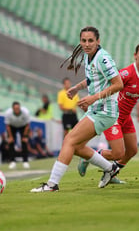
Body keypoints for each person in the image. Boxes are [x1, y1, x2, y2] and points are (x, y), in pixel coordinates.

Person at [30, 26, 123, 192]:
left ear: (98, 41)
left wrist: (94, 97)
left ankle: (52, 184)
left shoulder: (103, 58)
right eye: (84, 41)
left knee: (69, 141)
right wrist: (76, 88)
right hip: (97, 109)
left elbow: (118, 84)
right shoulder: (89, 57)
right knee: (78, 147)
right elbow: (92, 79)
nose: (87, 44)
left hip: (104, 110)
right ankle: (110, 169)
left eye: (90, 41)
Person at [77, 41, 139, 182]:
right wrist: (92, 99)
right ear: (135, 56)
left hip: (126, 117)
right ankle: (89, 156)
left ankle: (111, 175)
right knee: (118, 153)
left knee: (132, 151)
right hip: (113, 116)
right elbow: (105, 84)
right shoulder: (126, 73)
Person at [5, 101, 31, 169]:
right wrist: (10, 136)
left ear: (20, 107)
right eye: (15, 108)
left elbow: (27, 125)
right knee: (11, 142)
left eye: (18, 108)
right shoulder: (8, 113)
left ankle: (25, 161)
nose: (17, 110)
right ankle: (12, 162)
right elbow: (7, 126)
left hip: (23, 126)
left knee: (24, 142)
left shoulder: (25, 112)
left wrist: (25, 136)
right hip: (12, 126)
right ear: (12, 108)